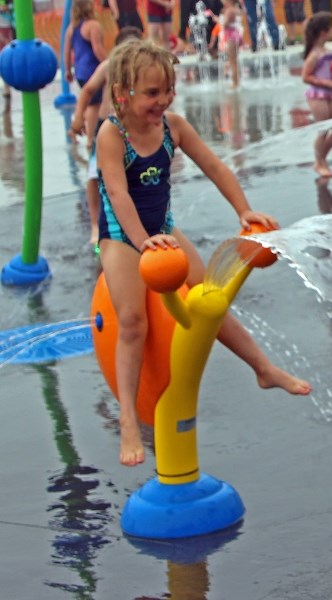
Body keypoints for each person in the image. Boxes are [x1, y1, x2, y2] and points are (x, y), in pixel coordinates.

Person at [96, 40, 312, 466]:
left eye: (168, 91)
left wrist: (243, 209)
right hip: (122, 239)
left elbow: (215, 167)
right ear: (123, 93)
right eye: (152, 94)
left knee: (209, 298)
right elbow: (119, 195)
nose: (163, 101)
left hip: (162, 231)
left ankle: (263, 369)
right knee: (134, 322)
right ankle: (126, 418)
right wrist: (142, 243)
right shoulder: (111, 134)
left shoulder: (173, 127)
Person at [68, 27, 144, 247]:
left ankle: (133, 223)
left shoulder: (143, 69)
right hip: (107, 127)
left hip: (133, 130)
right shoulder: (109, 66)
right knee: (94, 176)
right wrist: (78, 117)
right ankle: (95, 224)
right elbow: (88, 90)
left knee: (130, 178)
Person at [63, 0, 107, 149]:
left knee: (89, 104)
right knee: (94, 106)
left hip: (80, 72)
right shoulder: (93, 26)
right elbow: (97, 49)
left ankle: (75, 130)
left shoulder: (71, 28)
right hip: (92, 70)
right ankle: (90, 139)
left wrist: (68, 70)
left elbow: (67, 51)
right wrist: (110, 64)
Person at [302, 12, 332, 178]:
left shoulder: (326, 51)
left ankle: (321, 158)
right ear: (323, 32)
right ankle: (319, 162)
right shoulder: (314, 55)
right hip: (318, 95)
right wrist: (327, 83)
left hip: (331, 93)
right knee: (323, 129)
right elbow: (305, 76)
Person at [213, 0, 244, 87]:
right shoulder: (235, 9)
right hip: (236, 36)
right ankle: (237, 81)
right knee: (235, 60)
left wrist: (217, 20)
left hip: (231, 37)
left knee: (232, 61)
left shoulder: (230, 10)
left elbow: (225, 24)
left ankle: (235, 83)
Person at [0, 0, 13, 101]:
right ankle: (6, 87)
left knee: (5, 61)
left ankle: (7, 87)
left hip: (7, 30)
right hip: (3, 31)